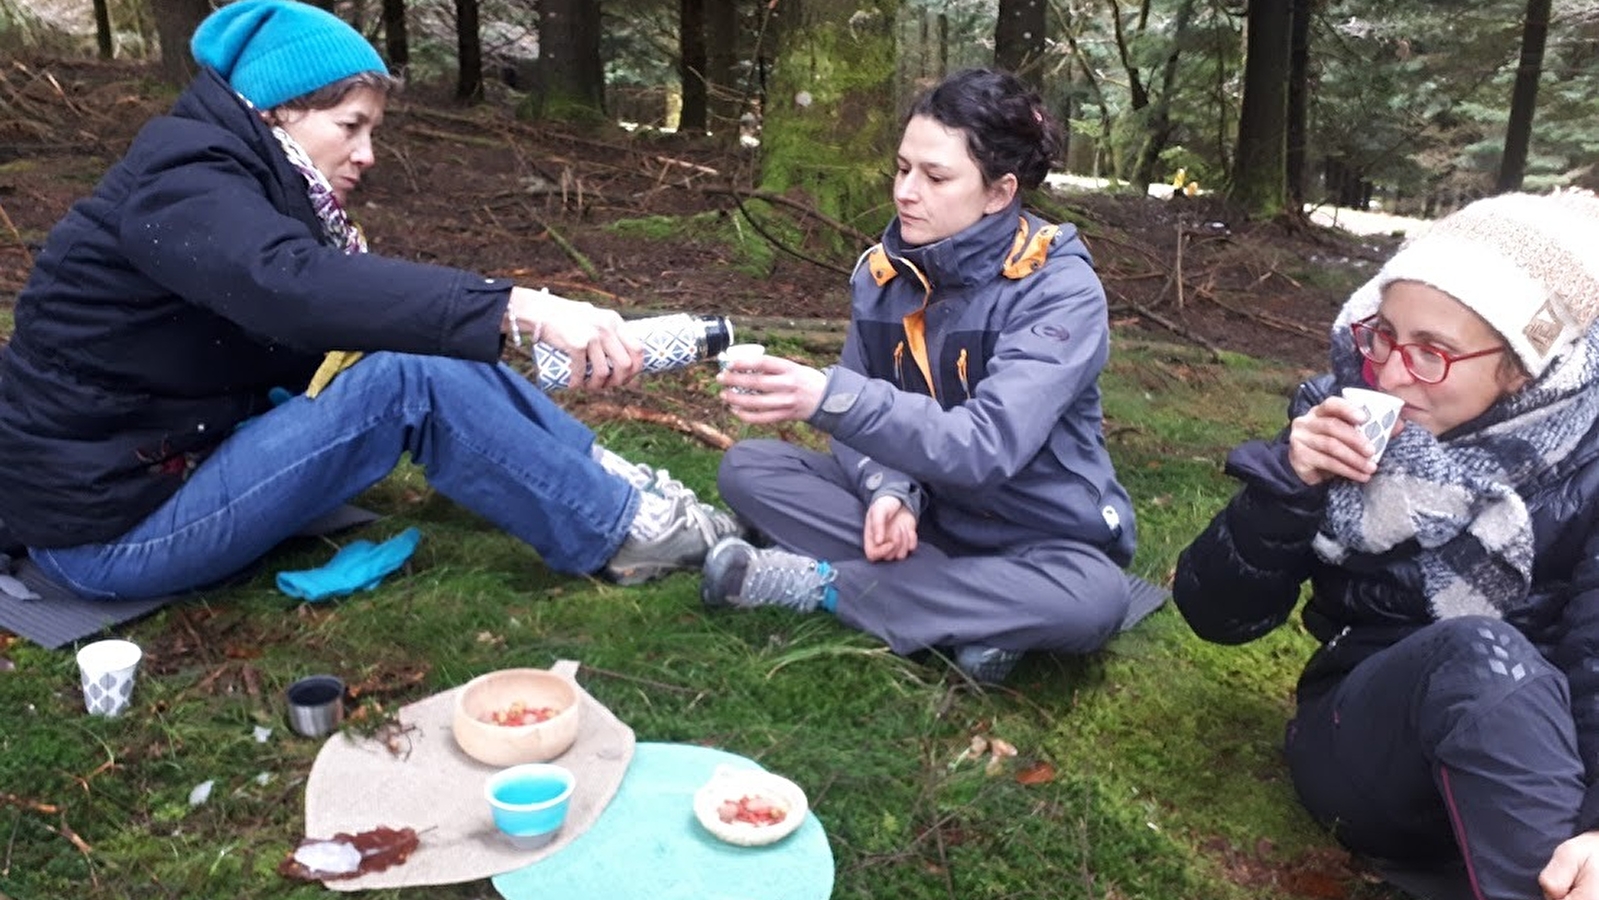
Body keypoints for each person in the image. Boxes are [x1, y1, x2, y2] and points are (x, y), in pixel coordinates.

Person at [0, 0, 738, 601]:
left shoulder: (241, 182)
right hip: (106, 536)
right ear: (273, 114)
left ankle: (611, 486)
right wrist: (522, 307)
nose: (366, 153)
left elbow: (337, 311)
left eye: (371, 130)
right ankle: (623, 536)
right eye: (349, 126)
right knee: (408, 379)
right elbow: (286, 286)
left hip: (169, 469)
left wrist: (482, 328)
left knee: (414, 349)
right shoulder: (182, 183)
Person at [1172, 189, 1599, 900]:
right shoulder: (1339, 415)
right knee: (1476, 655)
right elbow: (1215, 616)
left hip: (1548, 764)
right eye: (1383, 335)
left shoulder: (1585, 454)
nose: (1392, 373)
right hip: (1368, 741)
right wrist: (1286, 486)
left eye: (1432, 352)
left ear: (1523, 365)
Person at [698, 68, 1137, 684]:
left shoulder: (1058, 289)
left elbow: (986, 446)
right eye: (903, 169)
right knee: (752, 470)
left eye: (935, 177)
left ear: (998, 192)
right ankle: (981, 618)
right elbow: (856, 431)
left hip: (1039, 536)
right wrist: (889, 491)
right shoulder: (882, 275)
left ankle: (823, 586)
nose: (906, 192)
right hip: (928, 515)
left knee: (1095, 600)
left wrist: (827, 395)